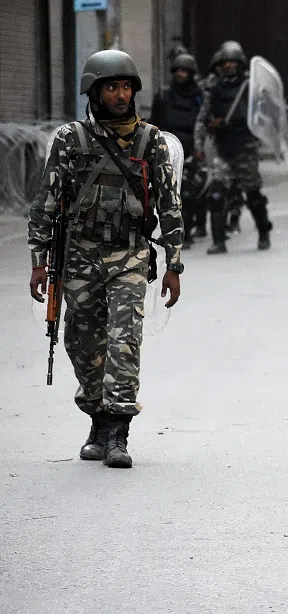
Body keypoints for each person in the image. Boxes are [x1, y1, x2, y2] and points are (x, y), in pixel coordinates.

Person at [28, 50, 184, 469]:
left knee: (124, 339)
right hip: (79, 256)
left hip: (129, 254)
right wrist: (39, 260)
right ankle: (97, 418)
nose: (121, 95)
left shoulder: (150, 142)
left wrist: (174, 265)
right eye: (112, 87)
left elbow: (170, 206)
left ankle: (118, 432)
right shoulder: (71, 139)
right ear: (94, 92)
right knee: (81, 342)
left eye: (126, 87)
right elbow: (46, 201)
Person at [195, 41, 273, 252]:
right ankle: (219, 241)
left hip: (245, 147)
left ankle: (264, 232)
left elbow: (265, 112)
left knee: (253, 194)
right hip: (223, 147)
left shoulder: (251, 86)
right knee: (216, 193)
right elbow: (202, 118)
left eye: (233, 62)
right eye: (225, 63)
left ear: (240, 64)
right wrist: (200, 142)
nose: (229, 66)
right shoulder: (214, 88)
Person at [150, 53, 205, 248]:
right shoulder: (164, 96)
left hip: (191, 150)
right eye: (178, 71)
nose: (181, 74)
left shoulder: (200, 97)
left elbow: (204, 122)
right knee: (169, 194)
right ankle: (174, 232)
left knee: (189, 193)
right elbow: (154, 122)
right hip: (168, 149)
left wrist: (201, 147)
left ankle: (188, 230)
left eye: (185, 71)